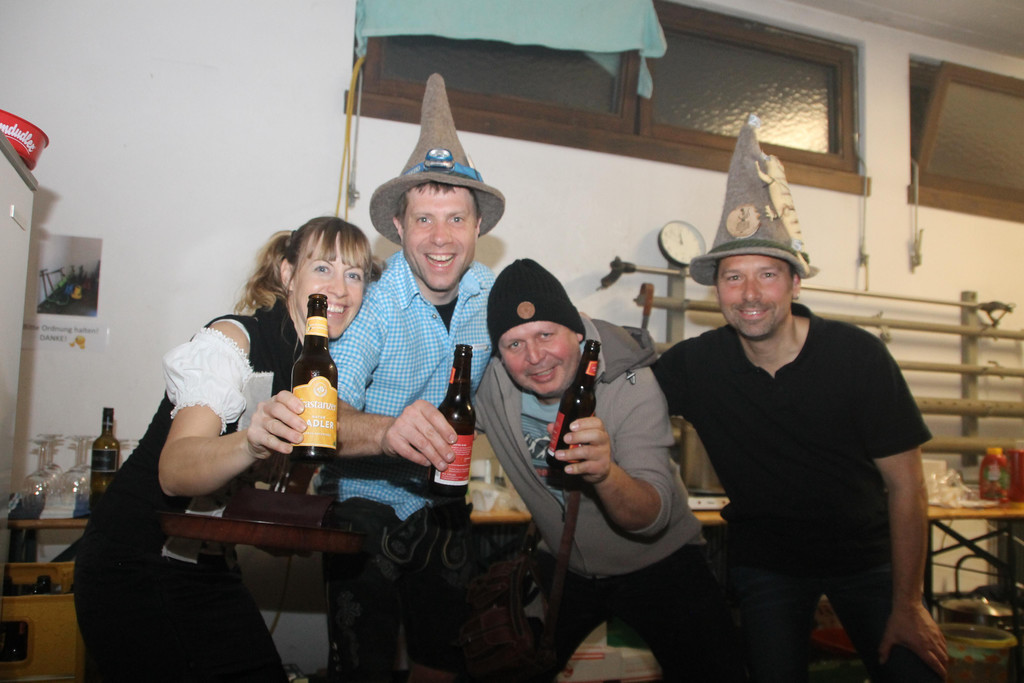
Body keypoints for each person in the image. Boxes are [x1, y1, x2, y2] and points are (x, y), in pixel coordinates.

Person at [652, 116, 948, 683]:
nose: (750, 294)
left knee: (916, 673)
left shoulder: (857, 357)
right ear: (717, 290)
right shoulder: (697, 365)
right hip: (769, 564)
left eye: (767, 274)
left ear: (795, 282)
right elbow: (625, 391)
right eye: (734, 278)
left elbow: (907, 486)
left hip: (869, 560)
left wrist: (910, 604)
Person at [74, 216, 376, 683]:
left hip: (210, 567)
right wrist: (251, 441)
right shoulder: (233, 341)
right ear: (287, 273)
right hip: (133, 565)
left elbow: (271, 523)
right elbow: (175, 471)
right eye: (323, 268)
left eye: (354, 275)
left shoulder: (309, 367)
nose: (339, 288)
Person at [475, 258, 749, 682]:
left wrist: (606, 474)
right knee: (502, 670)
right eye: (514, 344)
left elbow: (651, 516)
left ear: (576, 331)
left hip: (661, 563)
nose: (535, 357)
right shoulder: (490, 383)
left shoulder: (631, 381)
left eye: (546, 334)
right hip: (564, 565)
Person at [314, 73, 505, 682]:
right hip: (363, 508)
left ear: (478, 228)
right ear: (398, 227)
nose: (440, 238)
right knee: (363, 668)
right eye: (424, 219)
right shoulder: (370, 305)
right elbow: (323, 417)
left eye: (456, 219)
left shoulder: (491, 296)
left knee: (443, 665)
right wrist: (387, 431)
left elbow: (555, 346)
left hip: (444, 506)